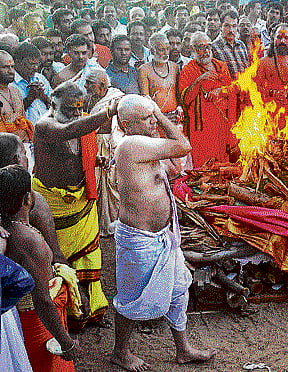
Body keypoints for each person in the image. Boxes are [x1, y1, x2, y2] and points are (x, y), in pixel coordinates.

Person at [111, 94, 216, 371]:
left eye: (152, 117)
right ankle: (120, 352)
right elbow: (184, 146)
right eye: (146, 119)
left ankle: (183, 349)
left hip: (163, 238)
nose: (154, 122)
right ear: (126, 124)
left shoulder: (145, 145)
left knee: (179, 288)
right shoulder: (132, 144)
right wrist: (158, 110)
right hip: (140, 240)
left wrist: (154, 116)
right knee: (131, 299)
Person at [32, 81, 114, 329]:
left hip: (81, 201)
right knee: (56, 259)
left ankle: (90, 311)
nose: (77, 115)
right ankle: (63, 316)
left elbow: (78, 146)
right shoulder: (45, 125)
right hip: (52, 205)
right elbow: (69, 131)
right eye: (70, 110)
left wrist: (93, 159)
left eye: (80, 110)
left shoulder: (82, 120)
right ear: (52, 104)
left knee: (89, 255)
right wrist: (108, 112)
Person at [0, 164, 81, 372]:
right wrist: (66, 341)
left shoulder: (6, 229)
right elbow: (43, 300)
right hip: (33, 322)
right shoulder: (28, 241)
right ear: (27, 199)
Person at [179, 31, 236, 168]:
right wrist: (198, 82)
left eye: (208, 47)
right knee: (203, 166)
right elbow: (185, 100)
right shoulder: (188, 70)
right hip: (201, 127)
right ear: (192, 49)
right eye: (201, 48)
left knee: (223, 164)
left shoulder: (220, 66)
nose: (205, 51)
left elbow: (232, 90)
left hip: (222, 123)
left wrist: (220, 91)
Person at [84, 69, 124, 238]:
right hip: (91, 145)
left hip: (110, 145)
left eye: (89, 84)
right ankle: (96, 226)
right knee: (95, 186)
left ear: (101, 86)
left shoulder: (116, 98)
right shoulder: (86, 98)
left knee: (111, 186)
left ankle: (114, 224)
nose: (85, 86)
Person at [255, 23, 288, 134]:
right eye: (279, 37)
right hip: (270, 115)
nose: (283, 41)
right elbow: (256, 87)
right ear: (273, 39)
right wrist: (271, 93)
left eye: (286, 38)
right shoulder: (264, 62)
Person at [0, 50, 34, 170]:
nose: (11, 71)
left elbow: (23, 119)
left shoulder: (15, 91)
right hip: (3, 157)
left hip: (24, 150)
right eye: (5, 67)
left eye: (12, 66)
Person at [12, 42, 52, 128]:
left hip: (48, 130)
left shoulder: (40, 78)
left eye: (37, 64)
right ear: (18, 62)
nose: (36, 67)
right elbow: (12, 117)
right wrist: (30, 98)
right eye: (31, 64)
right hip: (26, 135)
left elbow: (54, 105)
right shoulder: (10, 83)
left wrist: (43, 96)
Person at [139, 32, 179, 114]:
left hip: (175, 116)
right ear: (152, 51)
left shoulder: (175, 67)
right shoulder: (144, 70)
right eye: (161, 50)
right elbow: (146, 98)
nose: (166, 53)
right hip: (156, 117)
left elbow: (178, 94)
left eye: (167, 49)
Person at [211, 10, 249, 80]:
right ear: (220, 26)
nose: (231, 30)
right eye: (227, 26)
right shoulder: (213, 47)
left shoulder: (241, 45)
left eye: (234, 26)